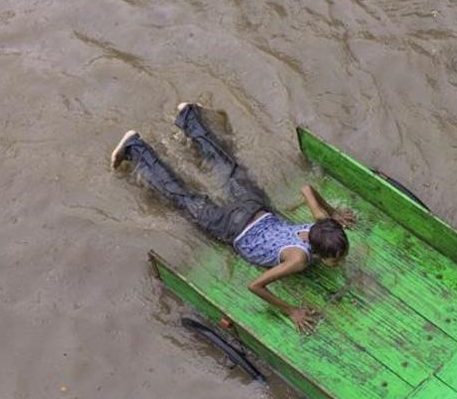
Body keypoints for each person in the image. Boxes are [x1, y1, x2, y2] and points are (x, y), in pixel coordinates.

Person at [110, 103, 354, 333]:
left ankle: (188, 116)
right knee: (182, 196)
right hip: (232, 229)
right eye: (335, 259)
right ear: (318, 254)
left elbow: (307, 190)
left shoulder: (320, 223)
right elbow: (255, 286)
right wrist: (292, 311)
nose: (340, 262)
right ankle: (134, 148)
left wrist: (332, 213)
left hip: (255, 208)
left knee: (225, 165)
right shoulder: (299, 259)